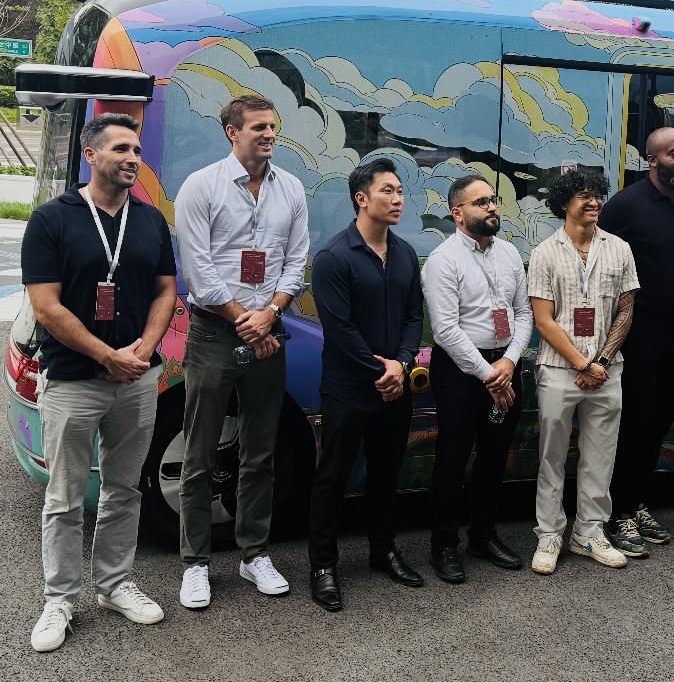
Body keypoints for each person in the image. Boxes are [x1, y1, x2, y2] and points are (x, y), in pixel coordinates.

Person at [21, 112, 177, 652]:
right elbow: (46, 306)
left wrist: (144, 349)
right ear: (91, 156)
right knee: (64, 498)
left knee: (124, 489)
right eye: (121, 149)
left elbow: (165, 291)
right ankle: (60, 599)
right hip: (72, 381)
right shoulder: (51, 219)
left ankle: (113, 585)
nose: (133, 158)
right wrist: (106, 355)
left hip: (136, 378)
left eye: (137, 149)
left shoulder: (151, 221)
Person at [173, 94, 310, 609]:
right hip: (214, 333)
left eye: (272, 126)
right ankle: (195, 564)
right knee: (200, 452)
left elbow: (297, 261)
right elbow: (199, 271)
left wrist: (270, 313)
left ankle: (254, 554)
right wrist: (246, 322)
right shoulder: (201, 186)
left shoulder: (290, 188)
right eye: (258, 127)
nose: (269, 134)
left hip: (268, 330)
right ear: (232, 132)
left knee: (261, 451)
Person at [307, 158, 425, 612]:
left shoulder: (405, 254)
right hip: (348, 389)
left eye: (400, 191)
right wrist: (382, 372)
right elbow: (339, 330)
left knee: (385, 472)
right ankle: (322, 565)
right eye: (387, 191)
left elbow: (414, 317)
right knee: (333, 477)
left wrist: (402, 364)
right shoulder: (334, 257)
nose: (397, 199)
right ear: (361, 198)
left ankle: (383, 550)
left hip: (396, 387)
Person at [599, 128, 674, 558]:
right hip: (635, 333)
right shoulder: (625, 205)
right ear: (652, 160)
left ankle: (637, 502)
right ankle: (618, 512)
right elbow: (596, 260)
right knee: (635, 424)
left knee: (660, 422)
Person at [527, 168, 639, 575]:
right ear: (563, 203)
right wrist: (582, 363)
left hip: (607, 370)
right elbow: (543, 319)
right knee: (552, 456)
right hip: (559, 369)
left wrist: (601, 363)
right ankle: (549, 534)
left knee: (600, 457)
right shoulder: (545, 252)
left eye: (597, 195)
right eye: (584, 195)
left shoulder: (619, 248)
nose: (593, 202)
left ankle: (589, 533)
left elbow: (626, 310)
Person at [422, 175, 534, 583]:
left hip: (504, 365)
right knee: (452, 458)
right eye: (481, 202)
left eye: (493, 200)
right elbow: (445, 331)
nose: (492, 208)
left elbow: (523, 313)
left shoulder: (508, 253)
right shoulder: (443, 260)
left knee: (494, 454)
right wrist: (491, 375)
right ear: (457, 213)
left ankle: (483, 536)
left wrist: (509, 362)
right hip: (461, 372)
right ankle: (443, 544)